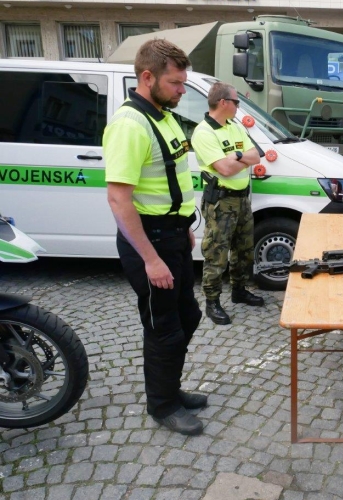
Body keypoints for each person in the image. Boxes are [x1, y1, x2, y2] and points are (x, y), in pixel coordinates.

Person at [104, 39, 206, 436]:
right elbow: (118, 198)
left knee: (187, 316)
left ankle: (171, 389)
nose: (183, 90)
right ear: (148, 78)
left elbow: (168, 179)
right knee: (163, 326)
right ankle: (162, 405)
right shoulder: (129, 125)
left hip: (174, 235)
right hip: (149, 242)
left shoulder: (162, 115)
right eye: (176, 83)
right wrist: (150, 258)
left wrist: (184, 229)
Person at [191, 82, 264, 326]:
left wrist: (239, 156)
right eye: (236, 102)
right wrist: (239, 161)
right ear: (223, 102)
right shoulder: (204, 132)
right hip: (221, 201)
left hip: (242, 198)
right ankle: (212, 302)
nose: (238, 106)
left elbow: (256, 154)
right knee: (217, 253)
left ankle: (239, 290)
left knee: (244, 249)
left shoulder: (234, 126)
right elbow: (223, 169)